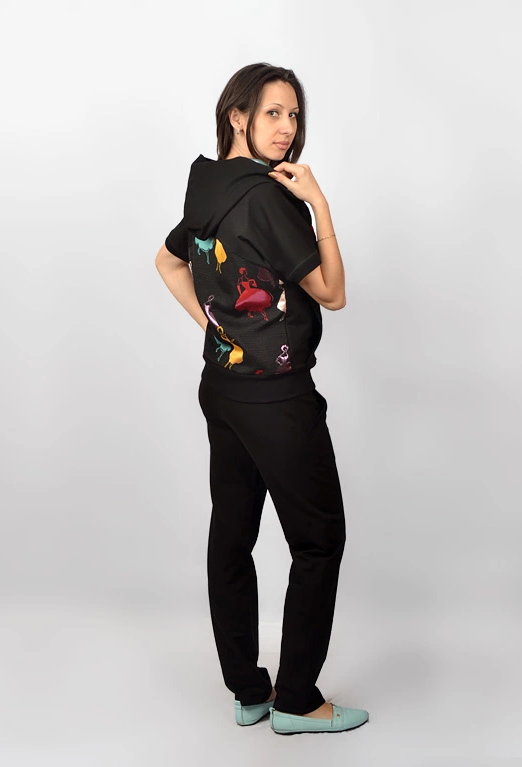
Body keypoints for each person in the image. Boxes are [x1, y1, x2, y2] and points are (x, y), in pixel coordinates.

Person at [155, 63, 369, 735]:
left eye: (294, 115)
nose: (287, 129)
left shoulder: (208, 184)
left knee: (233, 532)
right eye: (273, 113)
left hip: (221, 388)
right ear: (237, 116)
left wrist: (219, 331)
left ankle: (248, 690)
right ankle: (297, 699)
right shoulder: (273, 198)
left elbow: (168, 261)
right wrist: (320, 203)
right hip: (276, 396)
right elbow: (332, 291)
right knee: (319, 540)